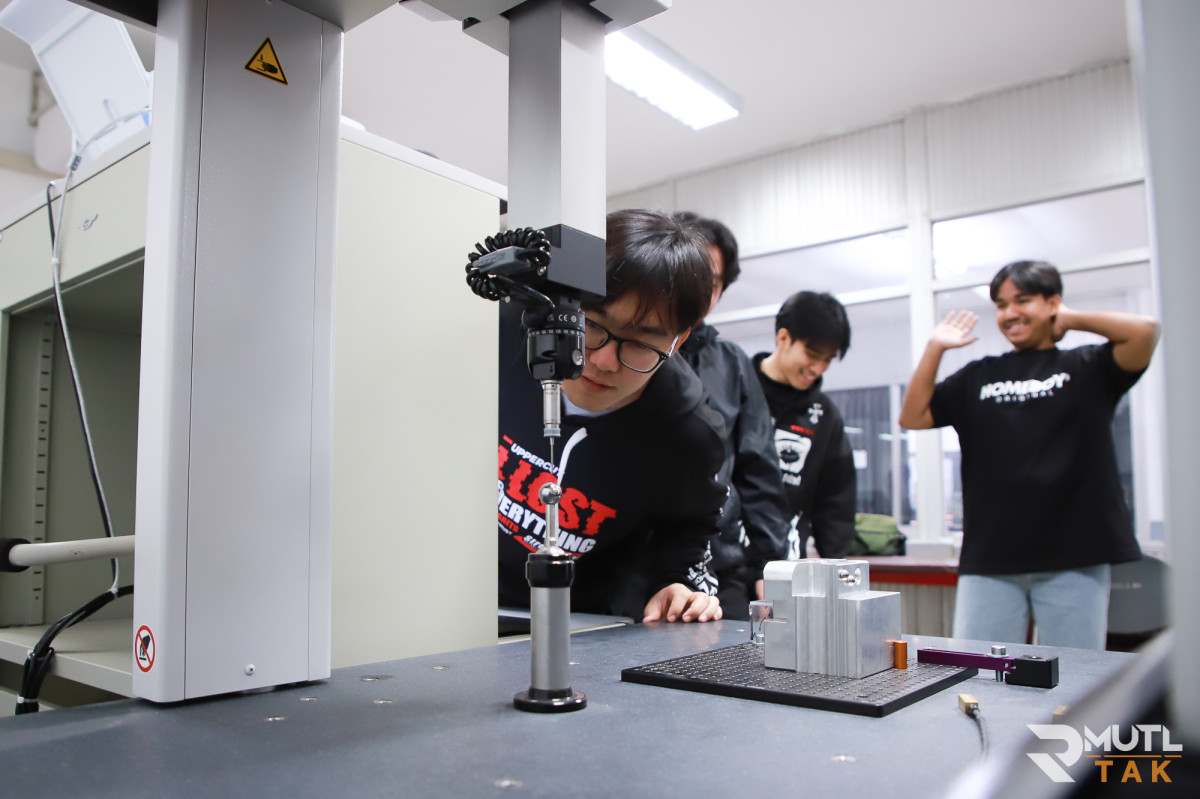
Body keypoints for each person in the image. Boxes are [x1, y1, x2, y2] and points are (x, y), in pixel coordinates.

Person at [898, 260, 1160, 649]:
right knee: (980, 671)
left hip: (1075, 555)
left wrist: (1069, 319)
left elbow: (1145, 332)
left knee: (1074, 674)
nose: (1010, 313)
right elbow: (912, 416)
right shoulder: (977, 376)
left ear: (1052, 302)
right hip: (991, 558)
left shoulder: (1086, 366)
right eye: (1002, 305)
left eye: (1022, 301)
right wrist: (935, 347)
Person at [497, 209, 727, 624]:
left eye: (641, 343)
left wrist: (676, 583)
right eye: (591, 325)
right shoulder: (504, 337)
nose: (603, 361)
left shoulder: (688, 434)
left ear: (678, 341)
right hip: (454, 597)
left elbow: (689, 527)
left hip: (581, 626)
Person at [673, 212, 790, 620]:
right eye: (689, 272)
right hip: (632, 568)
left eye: (712, 281)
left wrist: (769, 566)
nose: (699, 288)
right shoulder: (626, 349)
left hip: (719, 564)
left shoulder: (732, 364)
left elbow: (759, 472)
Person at [753, 291, 857, 560]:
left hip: (786, 565)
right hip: (725, 566)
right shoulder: (737, 391)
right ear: (783, 338)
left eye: (828, 359)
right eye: (812, 354)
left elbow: (836, 503)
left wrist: (835, 564)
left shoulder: (824, 416)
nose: (818, 368)